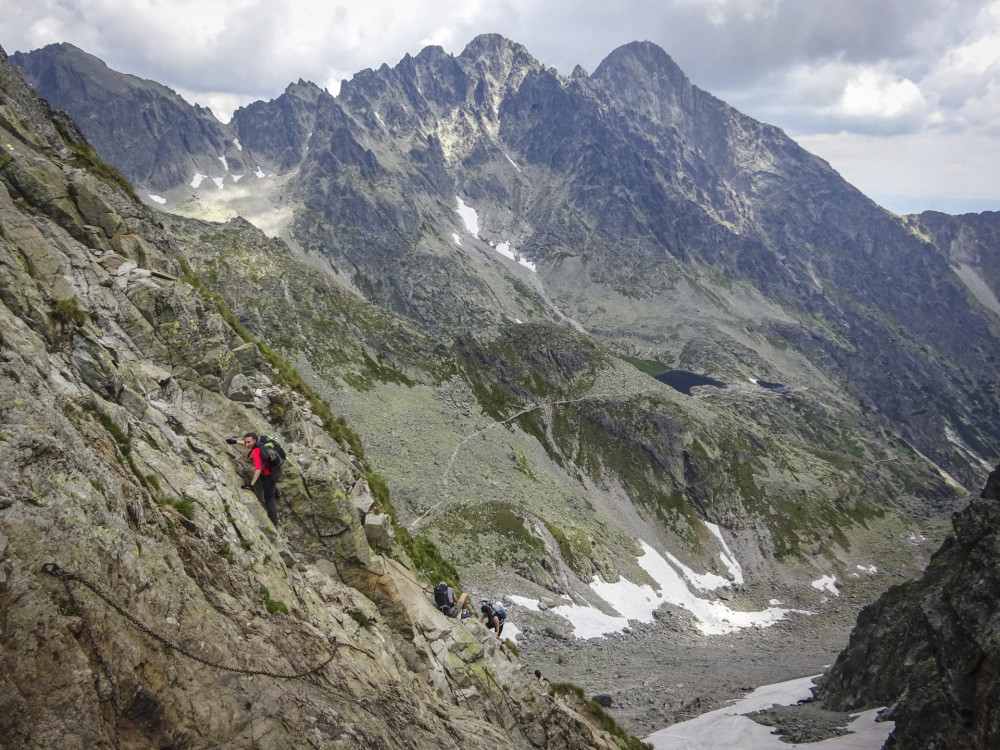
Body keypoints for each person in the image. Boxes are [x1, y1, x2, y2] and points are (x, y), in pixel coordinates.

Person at [227, 432, 281, 528]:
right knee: (264, 479)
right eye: (245, 442)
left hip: (270, 475)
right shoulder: (260, 441)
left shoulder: (256, 451)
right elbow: (248, 443)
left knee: (269, 498)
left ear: (254, 441)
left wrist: (250, 485)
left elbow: (258, 469)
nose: (247, 444)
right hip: (277, 468)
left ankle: (275, 522)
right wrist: (235, 441)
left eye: (249, 442)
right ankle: (277, 491)